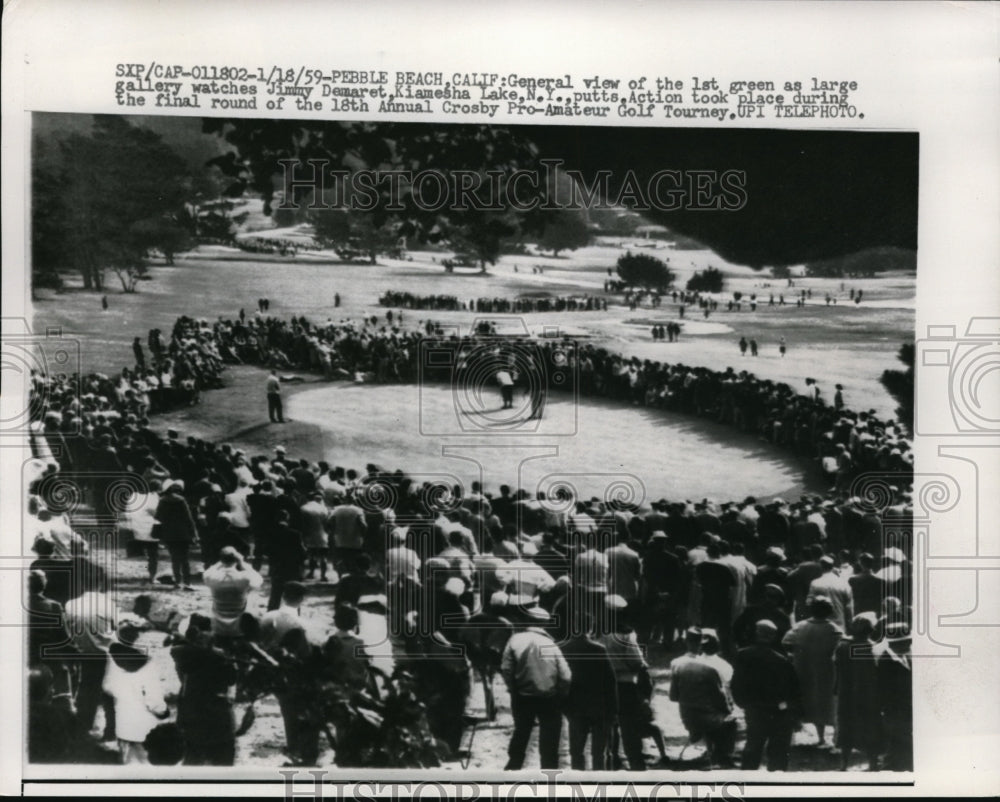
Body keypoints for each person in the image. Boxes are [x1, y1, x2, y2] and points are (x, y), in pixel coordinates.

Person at [500, 606, 571, 770]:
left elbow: (506, 668)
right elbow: (566, 675)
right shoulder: (551, 645)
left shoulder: (515, 640)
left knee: (521, 732)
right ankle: (549, 770)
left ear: (528, 621)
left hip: (522, 696)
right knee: (550, 738)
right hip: (549, 698)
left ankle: (513, 767)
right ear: (545, 624)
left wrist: (513, 689)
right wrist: (561, 695)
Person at [731, 620, 801, 771]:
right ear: (774, 636)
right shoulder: (781, 660)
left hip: (754, 709)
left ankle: (747, 783)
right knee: (778, 753)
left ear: (756, 633)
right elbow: (792, 688)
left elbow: (736, 683)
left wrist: (743, 703)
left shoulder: (743, 655)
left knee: (752, 747)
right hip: (778, 711)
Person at [171, 615, 238, 765]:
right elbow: (231, 679)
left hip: (190, 712)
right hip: (217, 714)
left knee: (192, 761)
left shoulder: (181, 654)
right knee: (222, 763)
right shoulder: (219, 657)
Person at [102, 624, 169, 764]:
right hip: (146, 725)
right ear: (136, 640)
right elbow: (154, 700)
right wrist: (163, 712)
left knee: (126, 763)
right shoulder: (148, 665)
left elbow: (107, 686)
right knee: (145, 766)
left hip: (123, 723)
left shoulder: (113, 659)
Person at [781, 596, 843, 747]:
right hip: (828, 671)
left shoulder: (801, 626)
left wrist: (796, 653)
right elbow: (840, 651)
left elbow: (786, 642)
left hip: (805, 669)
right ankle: (835, 737)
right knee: (829, 702)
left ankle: (821, 737)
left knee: (813, 701)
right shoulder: (834, 630)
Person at [563, 615, 618, 770]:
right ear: (591, 628)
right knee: (599, 753)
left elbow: (560, 680)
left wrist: (564, 707)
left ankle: (577, 786)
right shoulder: (599, 649)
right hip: (599, 707)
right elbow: (610, 681)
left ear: (574, 626)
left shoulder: (564, 649)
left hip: (575, 708)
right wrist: (613, 710)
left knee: (576, 752)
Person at [834, 612, 882, 770]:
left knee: (846, 727)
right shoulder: (874, 649)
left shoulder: (843, 646)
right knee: (871, 728)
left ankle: (844, 764)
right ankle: (873, 763)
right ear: (870, 629)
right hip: (869, 695)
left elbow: (837, 668)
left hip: (847, 693)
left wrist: (836, 688)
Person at [202, 547, 264, 636]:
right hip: (240, 624)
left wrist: (221, 561)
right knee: (252, 595)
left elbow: (209, 571)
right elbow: (259, 579)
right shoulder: (244, 577)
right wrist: (242, 562)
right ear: (236, 559)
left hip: (217, 623)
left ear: (221, 560)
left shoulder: (211, 577)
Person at [876, 623, 913, 771]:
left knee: (905, 740)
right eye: (904, 642)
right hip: (895, 708)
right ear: (892, 643)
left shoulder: (907, 656)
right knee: (896, 742)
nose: (908, 644)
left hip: (907, 707)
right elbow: (883, 688)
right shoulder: (886, 661)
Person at [154, 480, 198, 589]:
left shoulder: (162, 501)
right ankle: (187, 582)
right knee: (185, 559)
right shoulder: (181, 500)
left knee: (175, 558)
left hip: (169, 533)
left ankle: (177, 581)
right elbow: (189, 518)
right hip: (183, 532)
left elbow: (158, 518)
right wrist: (193, 533)